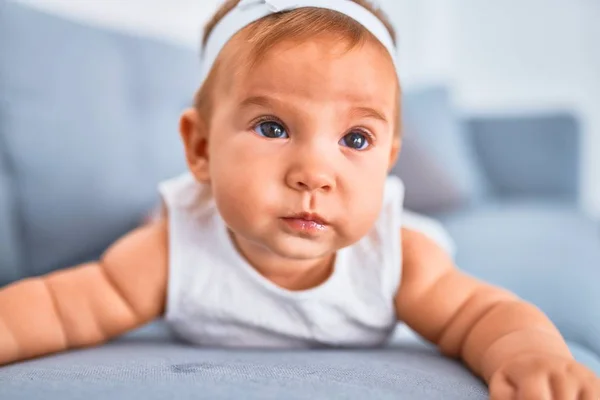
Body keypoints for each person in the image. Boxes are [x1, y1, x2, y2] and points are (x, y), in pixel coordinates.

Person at [0, 0, 598, 398]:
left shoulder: (398, 259)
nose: (314, 173)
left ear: (389, 161)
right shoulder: (169, 250)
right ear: (201, 147)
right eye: (272, 127)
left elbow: (482, 315)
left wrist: (527, 355)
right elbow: (60, 307)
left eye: (355, 139)